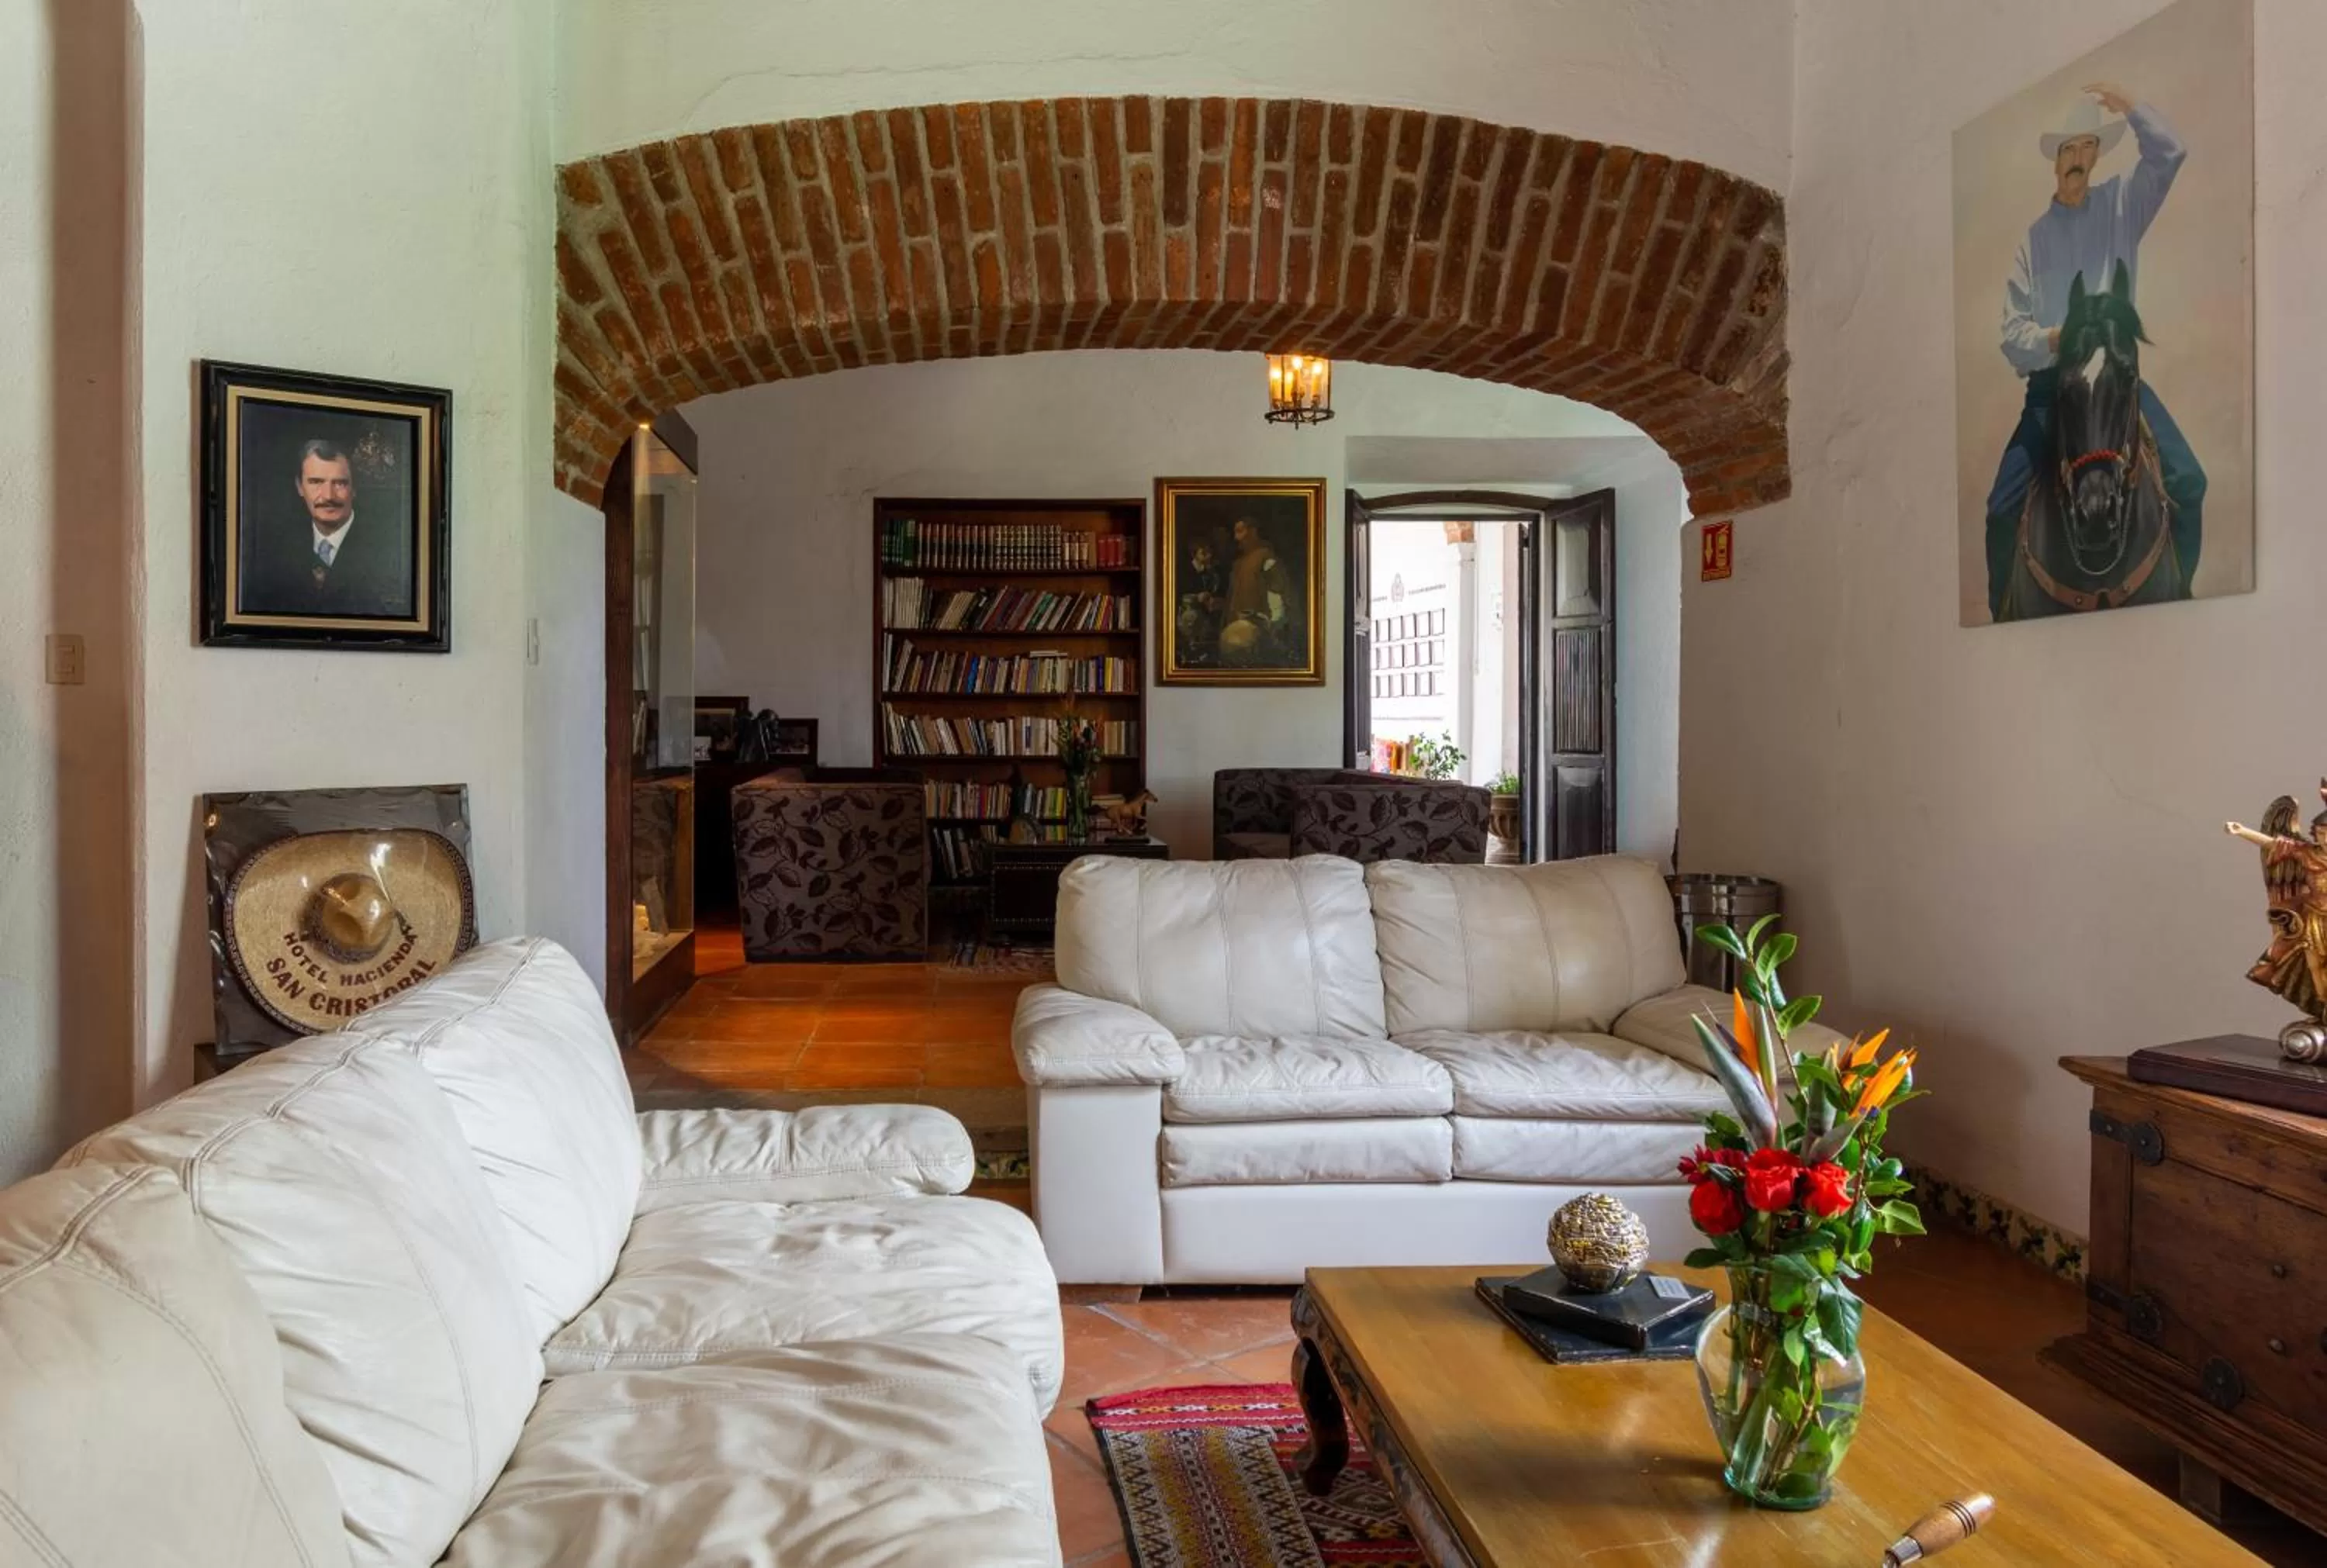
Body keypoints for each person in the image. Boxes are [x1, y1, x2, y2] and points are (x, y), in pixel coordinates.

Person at [1983, 82, 2206, 618]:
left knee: (2189, 481)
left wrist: (2131, 107)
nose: (2078, 160)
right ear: (2055, 163)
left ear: (2097, 153)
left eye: (2086, 147)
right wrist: (2060, 337)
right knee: (1998, 512)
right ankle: (2002, 615)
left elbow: (2171, 152)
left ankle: (2183, 597)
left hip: (2113, 380)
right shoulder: (2031, 241)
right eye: (2067, 150)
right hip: (2050, 390)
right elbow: (2012, 338)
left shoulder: (2121, 204)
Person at [241, 437, 413, 618]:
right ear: (300, 487)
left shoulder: (389, 548)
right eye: (316, 482)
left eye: (340, 483)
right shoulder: (274, 550)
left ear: (354, 489)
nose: (328, 496)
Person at [1222, 516, 1294, 665]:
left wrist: (1273, 625)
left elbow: (1277, 593)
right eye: (1235, 533)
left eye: (1240, 532)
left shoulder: (1266, 557)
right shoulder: (1238, 564)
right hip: (1235, 635)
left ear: (1253, 532)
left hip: (1258, 633)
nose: (1236, 538)